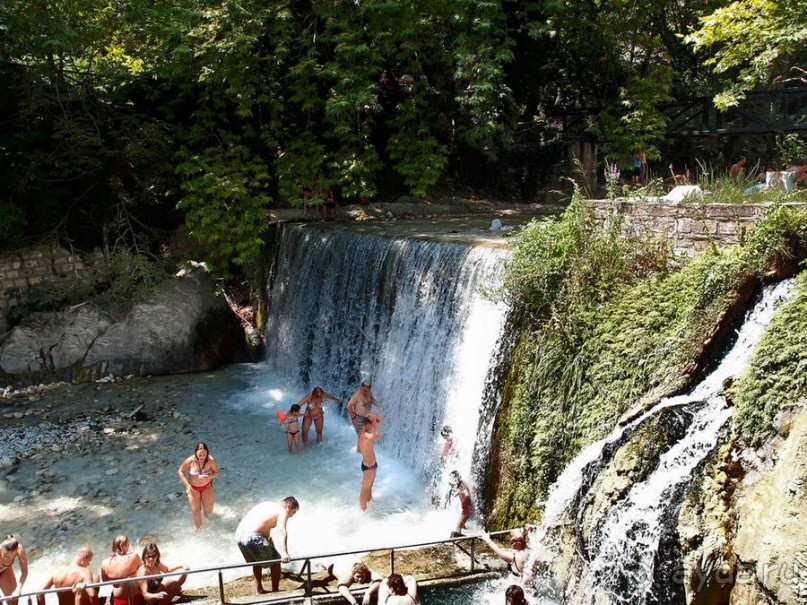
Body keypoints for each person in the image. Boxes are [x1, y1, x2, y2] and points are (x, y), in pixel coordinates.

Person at [235, 498, 299, 594]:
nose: (291, 516)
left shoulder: (267, 504)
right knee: (276, 561)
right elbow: (281, 530)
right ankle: (275, 592)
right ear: (289, 507)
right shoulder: (283, 511)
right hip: (252, 536)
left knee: (256, 561)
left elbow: (259, 523)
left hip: (239, 536)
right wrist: (284, 552)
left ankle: (259, 590)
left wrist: (268, 540)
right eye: (293, 512)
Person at [177, 442, 219, 529]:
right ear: (196, 452)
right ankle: (200, 531)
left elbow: (216, 473)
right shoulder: (190, 461)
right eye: (200, 454)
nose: (202, 456)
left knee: (208, 512)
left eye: (204, 454)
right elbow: (180, 471)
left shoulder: (210, 460)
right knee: (196, 512)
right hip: (193, 488)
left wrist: (209, 476)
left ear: (207, 452)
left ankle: (211, 530)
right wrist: (187, 485)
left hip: (207, 486)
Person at [101, 535, 143, 605]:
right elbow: (143, 572)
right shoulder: (134, 557)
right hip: (134, 597)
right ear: (123, 546)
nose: (129, 546)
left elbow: (105, 581)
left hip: (117, 599)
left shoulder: (105, 563)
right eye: (128, 544)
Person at [358, 413, 382, 512]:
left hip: (373, 464)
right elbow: (377, 435)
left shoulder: (366, 431)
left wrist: (373, 415)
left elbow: (380, 420)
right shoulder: (364, 435)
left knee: (369, 487)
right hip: (368, 467)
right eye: (371, 425)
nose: (373, 427)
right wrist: (375, 424)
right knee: (364, 489)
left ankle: (369, 504)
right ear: (366, 425)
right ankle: (362, 512)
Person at [0, 535, 28, 605]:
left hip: (4, 570)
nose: (9, 559)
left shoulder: (19, 548)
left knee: (13, 600)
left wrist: (18, 589)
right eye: (6, 555)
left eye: (13, 556)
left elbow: (24, 571)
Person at [445, 471, 473, 537]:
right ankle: (461, 529)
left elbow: (467, 495)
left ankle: (458, 532)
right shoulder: (459, 484)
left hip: (467, 506)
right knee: (463, 519)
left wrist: (465, 500)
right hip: (467, 505)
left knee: (460, 523)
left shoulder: (462, 488)